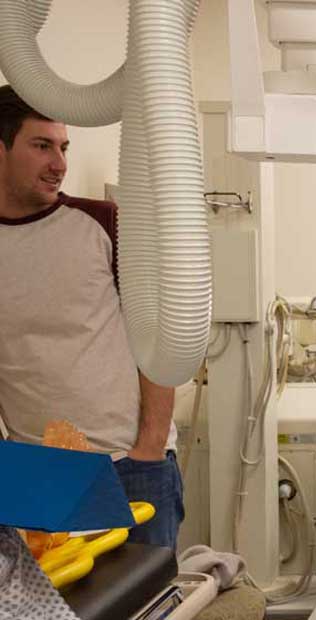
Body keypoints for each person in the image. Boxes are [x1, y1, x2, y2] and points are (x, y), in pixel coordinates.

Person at [0, 86, 182, 549]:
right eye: (42, 146)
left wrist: (150, 448)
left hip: (128, 463)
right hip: (36, 473)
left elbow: (158, 336)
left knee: (141, 606)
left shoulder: (104, 224)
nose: (59, 163)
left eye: (63, 147)